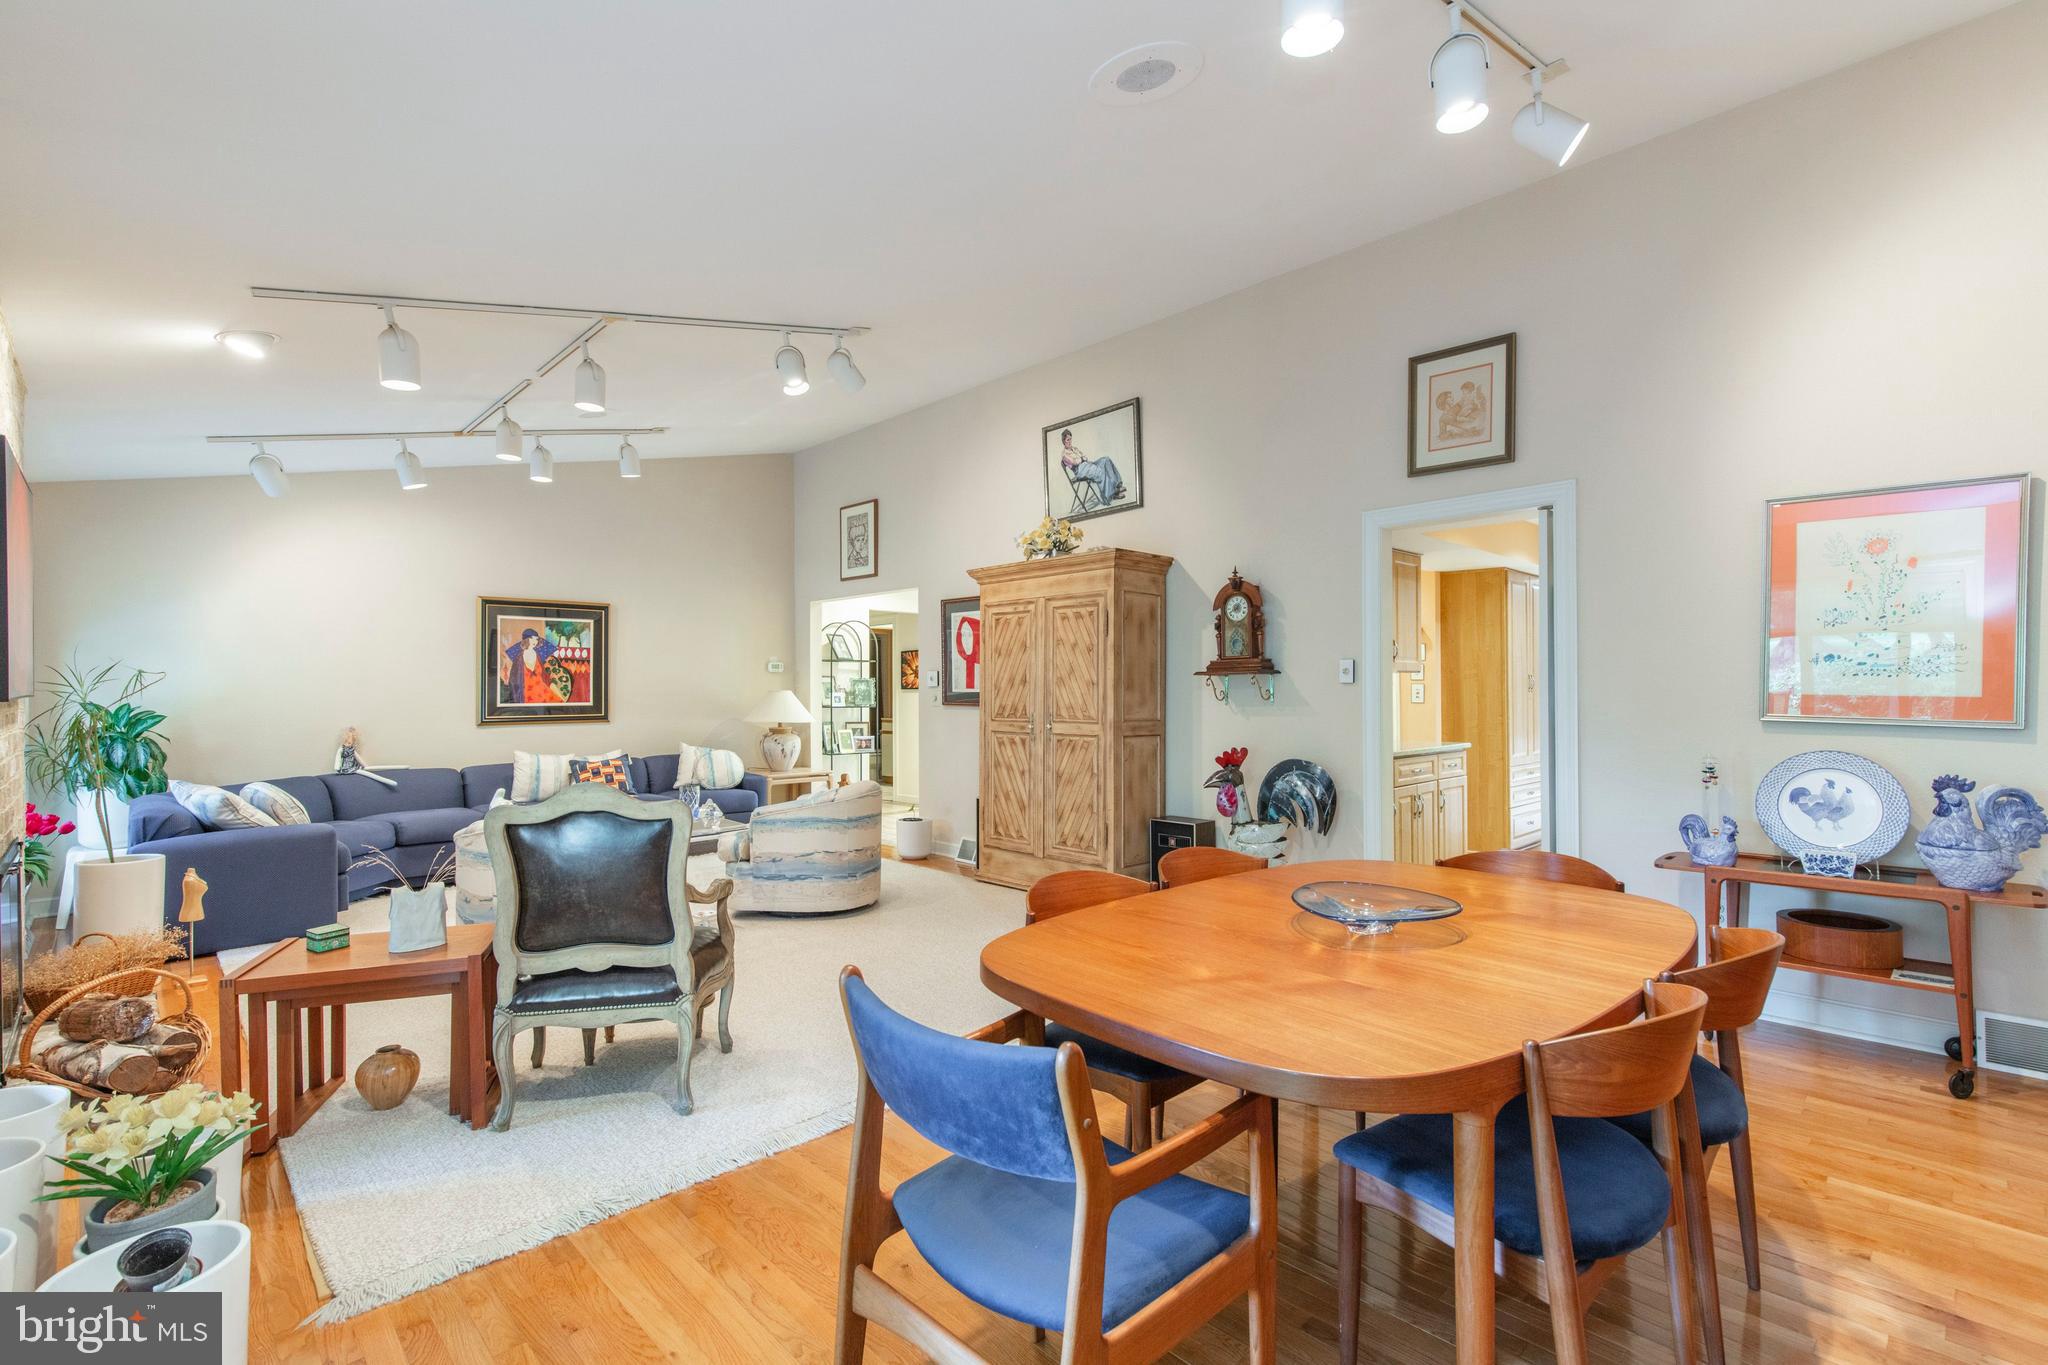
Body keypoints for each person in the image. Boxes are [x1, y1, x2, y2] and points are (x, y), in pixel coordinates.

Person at [1058, 428, 1125, 509]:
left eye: (1070, 439)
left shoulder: (1074, 449)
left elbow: (1085, 457)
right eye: (1068, 440)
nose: (1069, 442)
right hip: (1080, 470)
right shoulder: (1064, 454)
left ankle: (1117, 485)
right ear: (1064, 441)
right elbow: (1075, 462)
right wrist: (1081, 459)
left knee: (1106, 460)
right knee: (1099, 471)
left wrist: (1082, 459)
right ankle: (1110, 495)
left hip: (1087, 465)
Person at [503, 627, 559, 704]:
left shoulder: (537, 655)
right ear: (526, 639)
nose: (535, 641)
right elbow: (514, 679)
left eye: (536, 639)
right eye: (532, 638)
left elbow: (544, 676)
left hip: (542, 691)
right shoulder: (519, 657)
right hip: (526, 693)